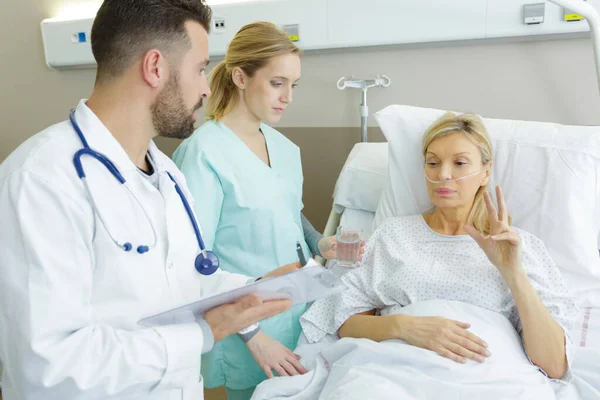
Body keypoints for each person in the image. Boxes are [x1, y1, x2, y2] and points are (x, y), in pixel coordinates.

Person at [0, 1, 300, 399]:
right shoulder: (42, 180)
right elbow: (49, 365)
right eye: (198, 69)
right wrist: (201, 334)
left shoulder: (166, 173)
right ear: (155, 67)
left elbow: (189, 276)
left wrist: (252, 289)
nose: (208, 87)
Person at [300, 112, 579, 382]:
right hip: (395, 375)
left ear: (485, 172)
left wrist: (513, 273)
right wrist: (405, 327)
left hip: (491, 380)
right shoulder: (395, 235)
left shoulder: (519, 246)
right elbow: (345, 319)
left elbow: (554, 364)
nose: (443, 174)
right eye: (433, 163)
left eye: (459, 163)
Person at [172, 21, 362, 400]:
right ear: (240, 77)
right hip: (243, 335)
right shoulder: (204, 153)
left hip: (297, 319)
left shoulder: (286, 149)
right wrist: (253, 337)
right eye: (277, 83)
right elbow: (193, 262)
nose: (288, 97)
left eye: (294, 85)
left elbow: (290, 212)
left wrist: (322, 243)